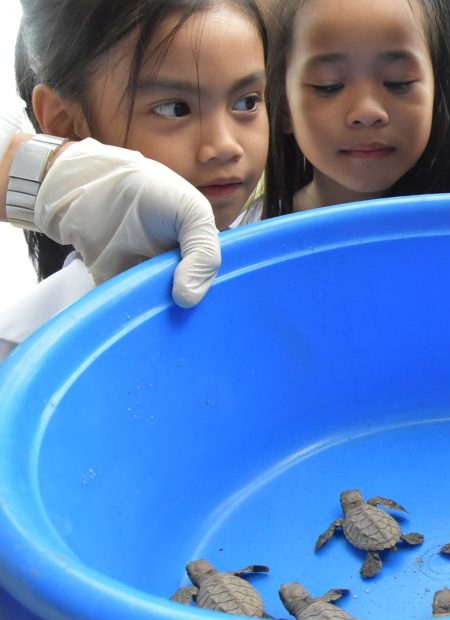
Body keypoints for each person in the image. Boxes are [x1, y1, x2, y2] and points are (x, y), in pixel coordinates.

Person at [0, 0, 270, 361]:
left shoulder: (298, 268)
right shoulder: (26, 357)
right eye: (175, 109)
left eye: (247, 103)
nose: (224, 145)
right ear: (65, 123)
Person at [263, 0, 450, 218]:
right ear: (284, 105)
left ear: (437, 90)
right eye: (329, 86)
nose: (367, 112)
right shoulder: (243, 241)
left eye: (398, 82)